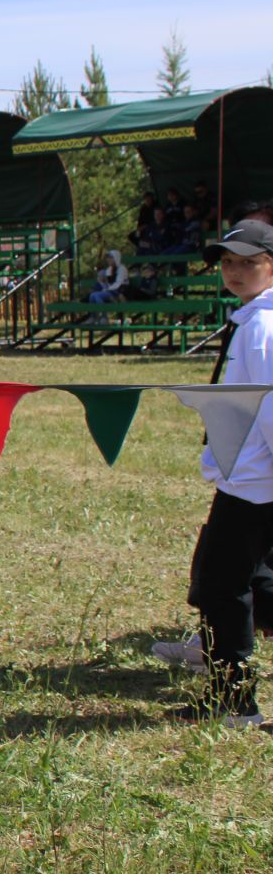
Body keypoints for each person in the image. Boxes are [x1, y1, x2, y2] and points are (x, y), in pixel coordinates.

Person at [170, 220, 273, 727]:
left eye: (248, 261)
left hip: (256, 484)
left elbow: (270, 408)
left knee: (220, 588)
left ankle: (234, 702)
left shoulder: (262, 328)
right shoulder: (251, 321)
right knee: (249, 584)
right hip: (248, 477)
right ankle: (232, 697)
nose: (234, 270)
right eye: (228, 262)